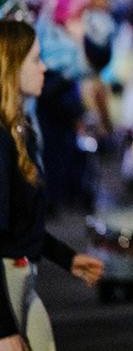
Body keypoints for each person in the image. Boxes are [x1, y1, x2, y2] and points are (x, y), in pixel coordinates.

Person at [0, 20, 104, 351]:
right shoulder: (2, 140)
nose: (44, 68)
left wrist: (67, 258)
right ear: (11, 67)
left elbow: (21, 223)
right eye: (34, 60)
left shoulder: (20, 131)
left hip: (23, 279)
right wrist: (3, 329)